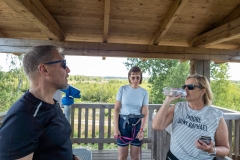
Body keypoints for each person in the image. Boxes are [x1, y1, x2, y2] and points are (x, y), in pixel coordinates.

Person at [0, 45, 80, 160]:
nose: (68, 69)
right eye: (63, 64)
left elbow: (53, 146)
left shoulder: (51, 104)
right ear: (44, 69)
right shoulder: (24, 117)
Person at [152, 74, 230, 160]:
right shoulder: (178, 107)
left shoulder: (216, 115)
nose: (185, 89)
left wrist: (211, 149)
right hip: (174, 157)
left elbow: (225, 149)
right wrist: (167, 100)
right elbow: (157, 126)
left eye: (190, 87)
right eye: (184, 86)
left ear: (202, 91)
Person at [113, 66, 149, 160]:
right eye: (133, 77)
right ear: (129, 77)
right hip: (123, 123)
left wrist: (142, 130)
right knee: (122, 156)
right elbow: (116, 109)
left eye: (138, 77)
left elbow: (145, 112)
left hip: (137, 124)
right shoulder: (122, 89)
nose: (135, 80)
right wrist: (116, 128)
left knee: (135, 157)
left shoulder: (144, 92)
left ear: (141, 78)